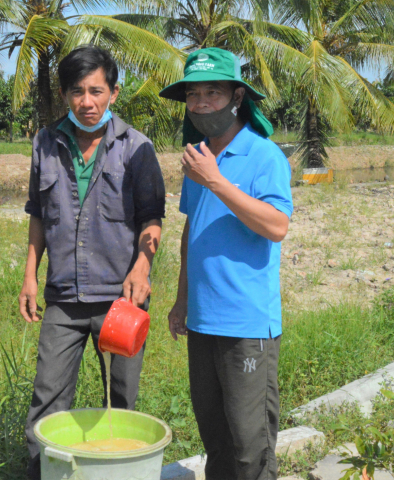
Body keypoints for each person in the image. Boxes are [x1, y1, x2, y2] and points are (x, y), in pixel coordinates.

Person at [19, 44, 166, 480]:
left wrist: (142, 264)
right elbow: (38, 216)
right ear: (65, 94)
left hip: (120, 302)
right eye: (78, 92)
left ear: (114, 93)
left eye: (97, 91)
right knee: (47, 401)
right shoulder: (45, 143)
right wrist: (29, 276)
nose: (88, 102)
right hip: (63, 297)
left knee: (120, 402)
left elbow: (152, 219)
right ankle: (44, 473)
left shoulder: (137, 148)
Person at [162, 48, 293, 480]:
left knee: (248, 444)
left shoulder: (264, 155)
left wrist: (216, 179)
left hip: (246, 325)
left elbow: (276, 226)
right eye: (193, 95)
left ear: (237, 96)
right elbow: (191, 232)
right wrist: (182, 302)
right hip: (203, 320)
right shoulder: (196, 157)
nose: (200, 103)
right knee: (214, 438)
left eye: (212, 93)